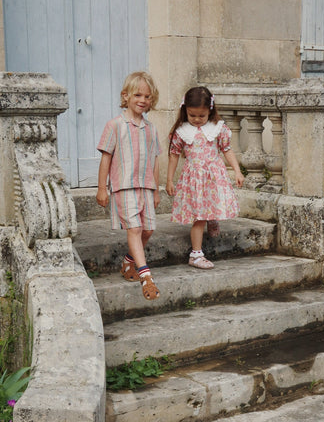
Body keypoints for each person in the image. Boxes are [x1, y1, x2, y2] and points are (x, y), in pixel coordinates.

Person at [96, 71, 161, 300]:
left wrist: (156, 189)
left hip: (145, 187)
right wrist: (102, 188)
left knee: (148, 229)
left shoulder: (151, 129)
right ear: (126, 96)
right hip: (124, 187)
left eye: (147, 96)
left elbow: (154, 160)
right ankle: (146, 277)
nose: (142, 100)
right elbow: (106, 158)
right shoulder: (115, 125)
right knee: (134, 229)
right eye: (137, 95)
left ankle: (128, 262)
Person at [166, 86, 244, 269]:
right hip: (194, 177)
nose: (197, 120)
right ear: (185, 110)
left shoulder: (217, 128)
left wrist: (237, 170)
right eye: (192, 115)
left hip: (213, 175)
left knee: (211, 201)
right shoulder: (182, 131)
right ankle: (196, 255)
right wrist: (170, 180)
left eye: (201, 116)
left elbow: (227, 149)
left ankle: (212, 218)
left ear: (210, 110)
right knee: (198, 214)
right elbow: (174, 155)